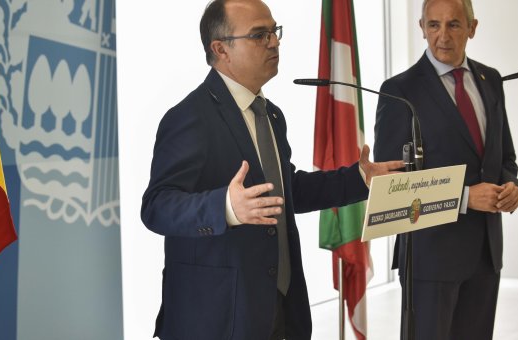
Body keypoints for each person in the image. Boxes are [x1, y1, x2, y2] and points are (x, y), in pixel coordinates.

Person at [141, 1, 404, 339]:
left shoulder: (271, 115)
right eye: (259, 35)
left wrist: (358, 178)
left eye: (274, 32)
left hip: (276, 307)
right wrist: (225, 207)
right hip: (217, 317)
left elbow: (285, 190)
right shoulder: (190, 117)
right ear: (220, 49)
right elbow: (157, 207)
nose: (274, 42)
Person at [373, 0, 518, 339]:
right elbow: (391, 186)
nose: (442, 36)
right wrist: (465, 197)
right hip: (429, 257)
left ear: (472, 28)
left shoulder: (491, 80)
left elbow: (505, 158)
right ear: (421, 27)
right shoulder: (399, 91)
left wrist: (510, 186)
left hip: (485, 253)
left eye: (454, 25)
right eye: (434, 25)